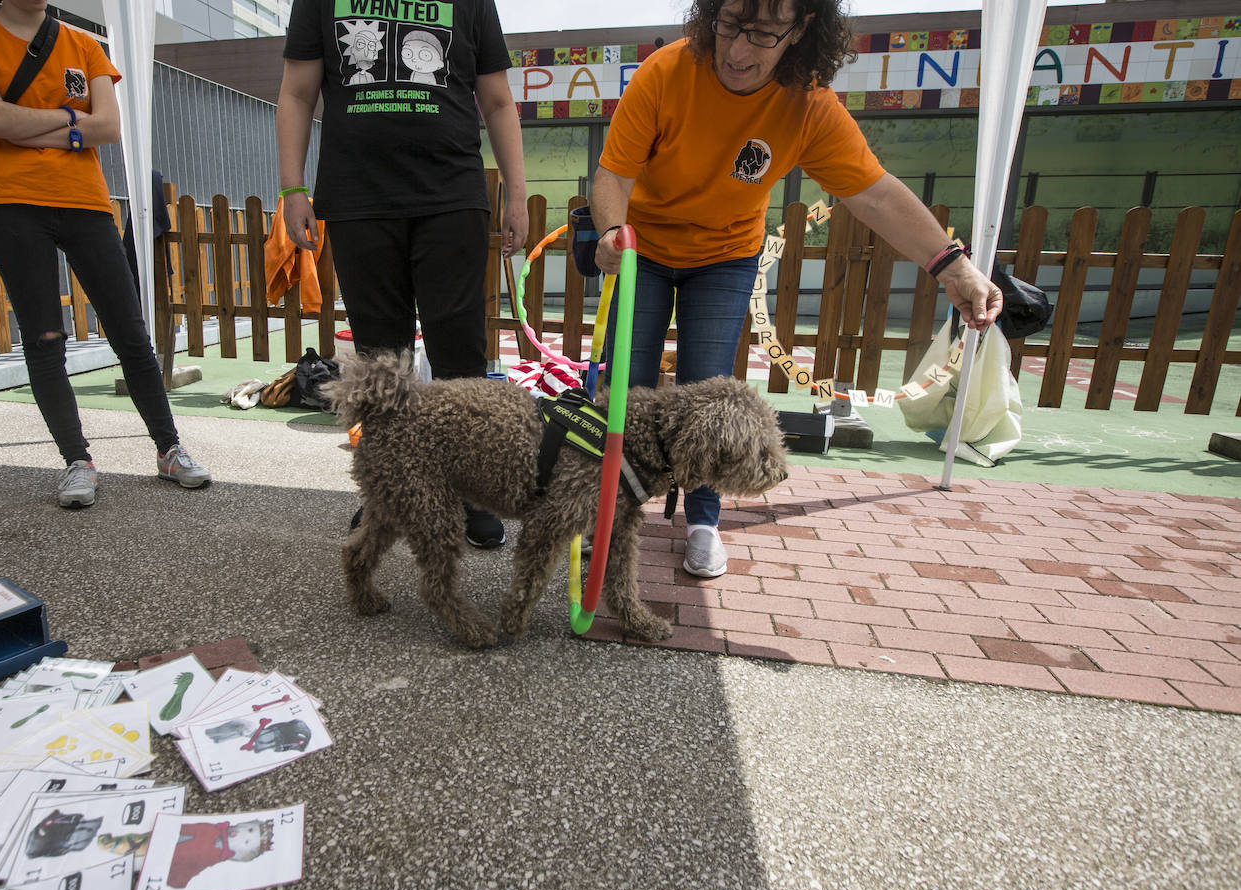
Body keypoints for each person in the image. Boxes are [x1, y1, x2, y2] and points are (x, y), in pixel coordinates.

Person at [591, 0, 1002, 578]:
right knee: (626, 393)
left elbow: (875, 194)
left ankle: (703, 520)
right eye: (729, 24)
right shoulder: (666, 72)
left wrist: (954, 268)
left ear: (801, 29)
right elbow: (614, 173)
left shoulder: (808, 104)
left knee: (712, 393)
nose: (737, 50)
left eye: (761, 34)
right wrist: (613, 235)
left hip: (725, 255)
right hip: (644, 250)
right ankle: (608, 515)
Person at [275, 0, 528, 549]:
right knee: (379, 360)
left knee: (460, 350)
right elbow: (297, 93)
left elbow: (499, 100)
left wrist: (517, 193)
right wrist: (293, 187)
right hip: (359, 197)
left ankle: (469, 492)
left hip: (451, 194)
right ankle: (387, 492)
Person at [0, 0, 210, 510]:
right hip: (12, 202)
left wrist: (26, 126)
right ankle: (77, 460)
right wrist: (71, 122)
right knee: (44, 339)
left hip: (86, 202)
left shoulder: (83, 44)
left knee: (131, 333)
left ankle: (169, 449)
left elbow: (109, 126)